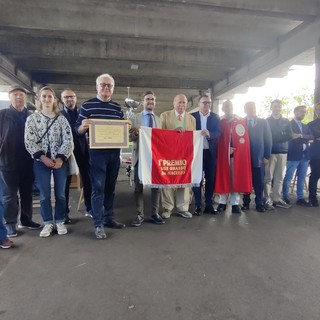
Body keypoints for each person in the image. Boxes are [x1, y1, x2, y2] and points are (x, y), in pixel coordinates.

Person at [75, 73, 126, 239]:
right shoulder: (87, 106)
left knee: (110, 187)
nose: (106, 88)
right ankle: (98, 224)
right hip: (97, 154)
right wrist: (83, 126)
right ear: (97, 87)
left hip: (114, 153)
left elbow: (123, 130)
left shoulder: (118, 108)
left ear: (113, 88)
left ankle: (108, 217)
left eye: (109, 86)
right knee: (98, 189)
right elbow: (78, 130)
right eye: (103, 85)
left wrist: (128, 127)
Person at [25, 86, 74, 237]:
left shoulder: (61, 119)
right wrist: (42, 157)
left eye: (50, 97)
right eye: (44, 96)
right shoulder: (32, 119)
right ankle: (47, 222)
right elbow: (29, 140)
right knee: (45, 194)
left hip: (60, 162)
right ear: (39, 99)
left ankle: (59, 220)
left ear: (54, 100)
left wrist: (60, 158)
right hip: (41, 162)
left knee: (60, 194)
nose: (47, 99)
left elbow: (68, 140)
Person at [0, 85, 41, 238]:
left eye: (21, 95)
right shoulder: (3, 115)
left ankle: (26, 219)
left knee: (27, 193)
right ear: (10, 98)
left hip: (28, 161)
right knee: (9, 195)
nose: (19, 97)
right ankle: (10, 224)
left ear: (26, 98)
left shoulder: (32, 116)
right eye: (15, 94)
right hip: (7, 161)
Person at [129, 91, 165, 227]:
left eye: (152, 99)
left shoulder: (159, 120)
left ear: (155, 102)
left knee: (156, 187)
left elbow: (163, 138)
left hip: (155, 158)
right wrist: (136, 132)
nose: (150, 102)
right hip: (140, 156)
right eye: (147, 99)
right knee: (139, 187)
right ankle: (139, 215)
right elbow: (129, 137)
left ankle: (155, 214)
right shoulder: (135, 118)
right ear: (143, 102)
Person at [160, 94, 196, 219]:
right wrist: (173, 133)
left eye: (184, 103)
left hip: (185, 157)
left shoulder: (192, 119)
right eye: (179, 102)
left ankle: (182, 208)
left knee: (184, 181)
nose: (181, 105)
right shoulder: (164, 116)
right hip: (168, 155)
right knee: (168, 182)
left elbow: (193, 138)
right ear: (173, 103)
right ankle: (167, 208)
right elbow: (160, 135)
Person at [61, 89, 92, 223]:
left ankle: (90, 209)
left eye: (72, 97)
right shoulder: (59, 114)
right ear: (62, 99)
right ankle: (64, 213)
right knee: (65, 184)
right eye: (66, 97)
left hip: (83, 151)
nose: (69, 99)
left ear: (75, 98)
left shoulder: (82, 113)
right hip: (66, 153)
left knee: (88, 180)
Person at [215, 100, 252, 214]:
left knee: (235, 177)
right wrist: (226, 149)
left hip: (237, 156)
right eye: (225, 106)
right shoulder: (220, 122)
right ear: (222, 109)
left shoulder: (240, 121)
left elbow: (244, 140)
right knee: (223, 177)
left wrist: (237, 148)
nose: (228, 108)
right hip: (223, 156)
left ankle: (235, 203)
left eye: (230, 106)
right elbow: (218, 139)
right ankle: (222, 202)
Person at [191, 95, 221, 215]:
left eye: (208, 103)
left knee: (211, 179)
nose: (206, 105)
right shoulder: (192, 117)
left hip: (210, 152)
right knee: (197, 179)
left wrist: (210, 134)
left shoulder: (215, 117)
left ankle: (208, 204)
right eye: (204, 103)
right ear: (199, 104)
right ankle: (198, 205)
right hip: (196, 153)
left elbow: (219, 132)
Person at [242, 101, 272, 212]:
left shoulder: (263, 122)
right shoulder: (241, 122)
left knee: (259, 182)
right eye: (248, 108)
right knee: (246, 181)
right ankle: (246, 202)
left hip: (259, 158)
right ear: (245, 110)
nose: (251, 110)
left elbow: (268, 139)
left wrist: (267, 156)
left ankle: (259, 203)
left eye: (253, 108)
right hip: (244, 158)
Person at [282, 105, 313, 206]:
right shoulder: (289, 124)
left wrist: (300, 136)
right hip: (293, 154)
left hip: (305, 155)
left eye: (304, 112)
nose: (303, 113)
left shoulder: (305, 126)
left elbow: (311, 136)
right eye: (301, 111)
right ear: (295, 112)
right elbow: (292, 137)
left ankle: (300, 198)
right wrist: (305, 138)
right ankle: (285, 197)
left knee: (302, 177)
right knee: (289, 177)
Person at [264, 99, 292, 210]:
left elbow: (289, 135)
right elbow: (267, 136)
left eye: (279, 106)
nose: (277, 108)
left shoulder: (286, 121)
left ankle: (276, 199)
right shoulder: (267, 121)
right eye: (275, 106)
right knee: (268, 178)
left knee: (279, 177)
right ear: (271, 108)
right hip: (271, 152)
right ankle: (266, 199)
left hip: (283, 152)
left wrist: (276, 137)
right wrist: (280, 135)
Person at [308, 103, 320, 207]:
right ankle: (312, 197)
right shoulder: (311, 124)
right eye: (318, 109)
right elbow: (311, 138)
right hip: (316, 153)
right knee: (315, 175)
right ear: (316, 111)